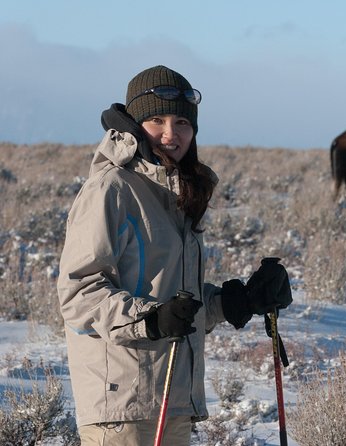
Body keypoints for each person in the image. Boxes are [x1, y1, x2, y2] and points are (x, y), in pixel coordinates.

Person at [57, 65, 292, 446]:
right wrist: (150, 320)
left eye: (182, 121)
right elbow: (79, 296)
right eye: (156, 119)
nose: (171, 133)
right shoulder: (111, 189)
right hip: (122, 408)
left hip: (173, 397)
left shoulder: (177, 193)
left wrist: (238, 300)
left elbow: (176, 302)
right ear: (134, 124)